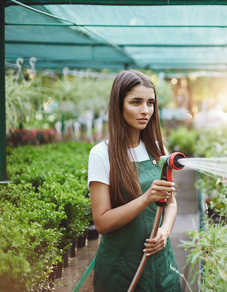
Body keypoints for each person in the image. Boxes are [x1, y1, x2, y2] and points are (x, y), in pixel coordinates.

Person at [87, 70, 182, 292]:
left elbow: (172, 203)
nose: (145, 111)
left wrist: (164, 232)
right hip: (120, 270)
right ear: (118, 105)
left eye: (150, 103)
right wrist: (147, 198)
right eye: (136, 102)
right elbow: (101, 222)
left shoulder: (158, 150)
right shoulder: (101, 154)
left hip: (160, 265)